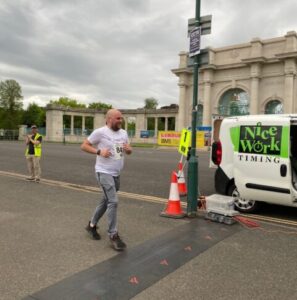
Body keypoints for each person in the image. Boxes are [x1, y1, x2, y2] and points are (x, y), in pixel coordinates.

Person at [81, 109, 132, 251]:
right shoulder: (100, 132)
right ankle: (113, 234)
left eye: (121, 118)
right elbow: (84, 145)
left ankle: (91, 225)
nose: (120, 121)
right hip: (103, 172)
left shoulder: (123, 133)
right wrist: (99, 151)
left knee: (106, 201)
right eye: (117, 118)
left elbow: (128, 150)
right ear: (109, 119)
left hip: (116, 173)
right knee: (113, 201)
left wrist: (128, 150)